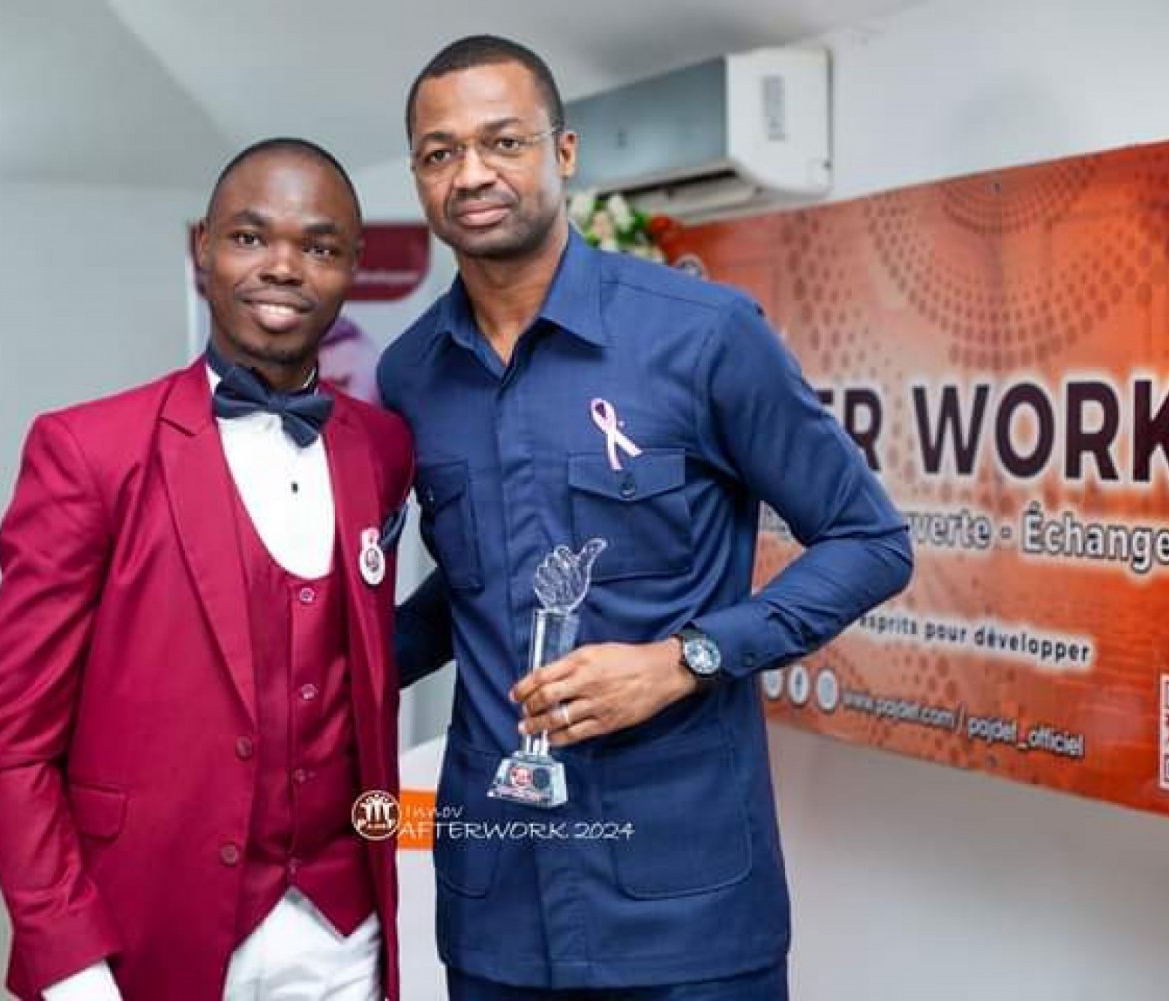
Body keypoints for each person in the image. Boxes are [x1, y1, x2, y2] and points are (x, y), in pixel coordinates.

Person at [381, 36, 914, 1000]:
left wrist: (684, 658)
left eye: (503, 141)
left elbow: (871, 541)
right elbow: (466, 592)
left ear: (565, 151)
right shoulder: (412, 374)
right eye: (439, 152)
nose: (472, 173)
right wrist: (300, 674)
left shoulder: (704, 335)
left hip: (687, 907)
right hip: (498, 906)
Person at [0, 138, 413, 1001]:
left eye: (319, 246)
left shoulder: (383, 447)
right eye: (250, 237)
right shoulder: (88, 451)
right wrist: (71, 965)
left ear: (352, 267)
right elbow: (13, 745)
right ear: (203, 248)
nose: (283, 266)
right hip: (146, 927)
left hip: (345, 934)